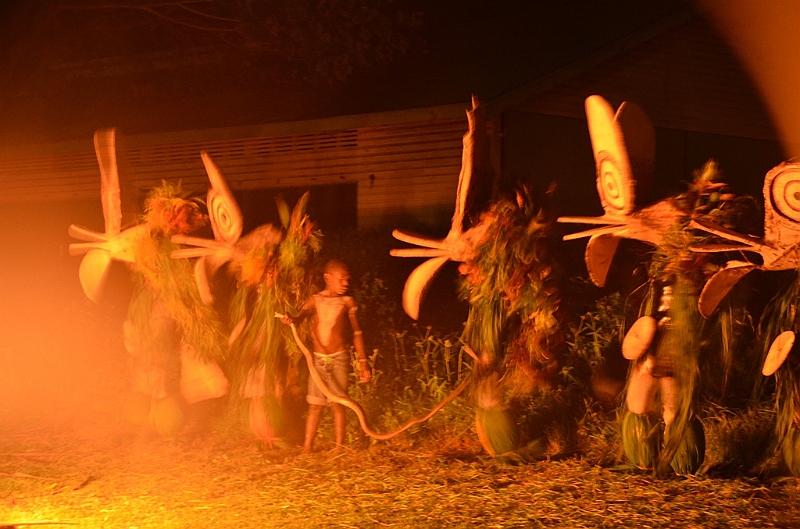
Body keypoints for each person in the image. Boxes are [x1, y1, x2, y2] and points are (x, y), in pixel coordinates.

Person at [281, 260, 371, 452]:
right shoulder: (315, 300)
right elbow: (299, 316)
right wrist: (291, 319)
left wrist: (363, 362)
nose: (346, 283)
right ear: (327, 278)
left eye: (348, 280)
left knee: (338, 403)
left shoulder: (347, 302)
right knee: (315, 405)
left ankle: (339, 447)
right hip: (318, 361)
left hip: (339, 359)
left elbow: (357, 333)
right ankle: (307, 447)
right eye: (342, 279)